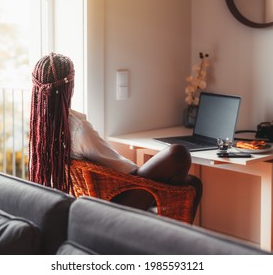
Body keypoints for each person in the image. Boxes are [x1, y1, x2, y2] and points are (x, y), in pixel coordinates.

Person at [29, 53, 202, 219]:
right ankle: (168, 221)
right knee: (178, 154)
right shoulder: (78, 129)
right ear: (69, 88)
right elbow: (121, 168)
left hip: (100, 200)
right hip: (116, 200)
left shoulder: (41, 128)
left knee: (191, 182)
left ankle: (163, 211)